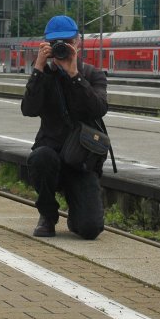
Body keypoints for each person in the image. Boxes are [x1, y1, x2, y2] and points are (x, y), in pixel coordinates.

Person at [20, 15, 108, 240]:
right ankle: (48, 215)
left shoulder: (91, 74)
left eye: (66, 42)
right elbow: (28, 109)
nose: (60, 47)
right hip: (51, 154)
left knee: (90, 230)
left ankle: (77, 207)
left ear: (77, 42)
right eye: (54, 43)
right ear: (46, 45)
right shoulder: (44, 75)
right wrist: (38, 68)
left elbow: (98, 108)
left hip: (81, 160)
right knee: (40, 158)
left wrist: (74, 76)